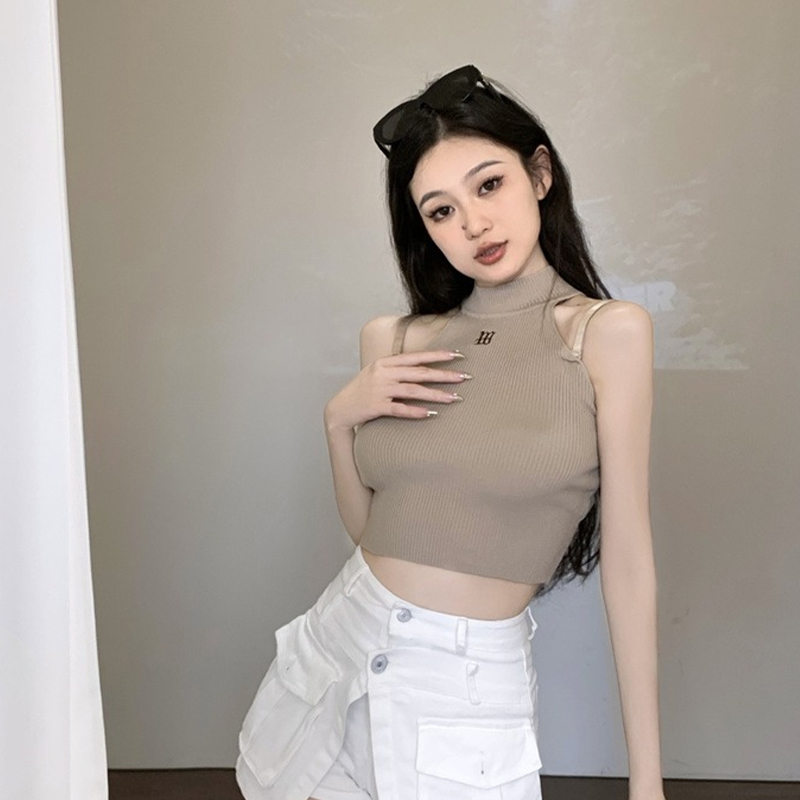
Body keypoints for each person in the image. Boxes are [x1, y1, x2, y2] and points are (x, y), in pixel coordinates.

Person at [236, 65, 665, 800]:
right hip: (331, 663)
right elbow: (377, 532)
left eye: (488, 185)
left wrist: (646, 780)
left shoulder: (607, 334)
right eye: (441, 210)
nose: (472, 225)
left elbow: (628, 562)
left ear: (539, 174)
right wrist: (337, 421)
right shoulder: (394, 340)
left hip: (462, 696)